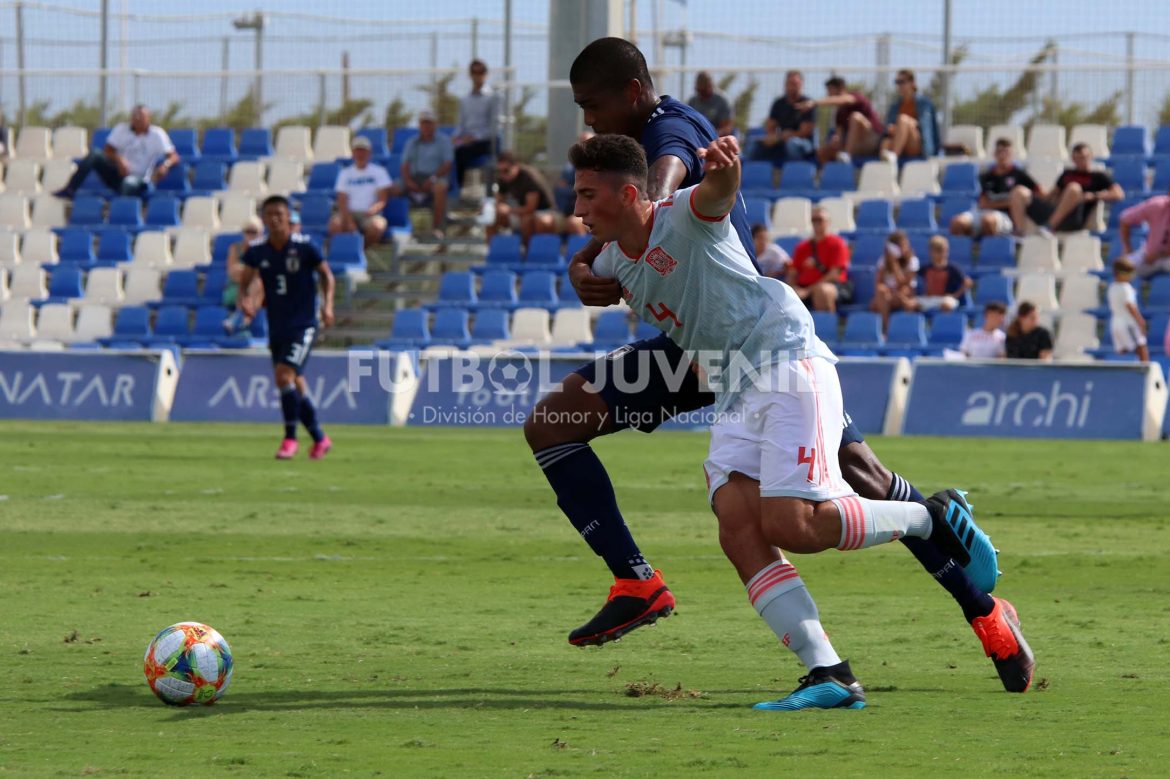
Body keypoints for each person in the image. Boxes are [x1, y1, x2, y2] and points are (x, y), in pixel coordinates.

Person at [526, 37, 1032, 698]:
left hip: (758, 342)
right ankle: (638, 580)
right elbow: (637, 222)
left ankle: (985, 610)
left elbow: (667, 185)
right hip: (705, 348)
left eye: (592, 107)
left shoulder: (668, 135)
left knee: (857, 482)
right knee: (557, 423)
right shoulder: (636, 154)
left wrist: (606, 242)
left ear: (630, 92)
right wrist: (595, 261)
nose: (589, 121)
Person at [236, 195, 336, 460]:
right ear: (264, 218)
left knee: (283, 376)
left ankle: (289, 439)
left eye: (280, 213)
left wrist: (327, 307)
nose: (275, 219)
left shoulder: (305, 247)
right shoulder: (258, 251)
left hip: (303, 324)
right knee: (294, 383)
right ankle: (320, 438)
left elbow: (327, 275)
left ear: (288, 216)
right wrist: (244, 302)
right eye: (269, 214)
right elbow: (245, 280)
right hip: (277, 325)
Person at [53, 104, 179, 199]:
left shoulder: (157, 134)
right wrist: (119, 160)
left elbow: (173, 156)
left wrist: (165, 165)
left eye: (141, 116)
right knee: (95, 154)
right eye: (135, 115)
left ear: (148, 118)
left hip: (139, 179)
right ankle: (71, 189)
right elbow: (108, 150)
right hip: (118, 174)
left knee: (128, 183)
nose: (138, 118)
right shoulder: (121, 129)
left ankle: (120, 217)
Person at [1022, 143, 1124, 233]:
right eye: (1078, 158)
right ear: (1073, 159)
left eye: (1084, 157)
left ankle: (1049, 226)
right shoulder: (1067, 174)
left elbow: (1119, 194)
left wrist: (1094, 196)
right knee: (1020, 192)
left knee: (1073, 188)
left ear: (1091, 156)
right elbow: (1051, 195)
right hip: (1056, 212)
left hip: (1074, 219)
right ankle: (1019, 233)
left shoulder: (1099, 176)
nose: (1082, 161)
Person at [951, 138, 1042, 237]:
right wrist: (1010, 202)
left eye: (1006, 152)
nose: (1002, 155)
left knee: (988, 221)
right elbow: (983, 203)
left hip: (1005, 217)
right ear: (995, 154)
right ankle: (969, 248)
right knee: (957, 223)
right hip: (981, 212)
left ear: (1011, 155)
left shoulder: (1019, 175)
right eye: (999, 152)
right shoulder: (986, 176)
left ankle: (989, 249)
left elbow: (1038, 192)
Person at [491, 151, 571, 244]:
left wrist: (509, 210)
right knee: (490, 219)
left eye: (506, 171)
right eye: (499, 171)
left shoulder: (528, 177)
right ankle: (493, 253)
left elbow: (530, 208)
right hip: (523, 213)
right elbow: (499, 202)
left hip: (547, 212)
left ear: (516, 166)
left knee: (528, 220)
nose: (502, 174)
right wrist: (497, 208)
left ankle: (527, 253)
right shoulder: (503, 178)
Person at [802, 76, 884, 164]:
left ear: (841, 88)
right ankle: (827, 174)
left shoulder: (856, 96)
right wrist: (835, 141)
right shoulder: (839, 114)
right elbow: (839, 135)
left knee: (855, 117)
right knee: (823, 151)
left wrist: (814, 103)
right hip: (856, 146)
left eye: (830, 90)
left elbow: (844, 100)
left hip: (873, 141)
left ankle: (847, 156)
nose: (828, 95)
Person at [329, 136, 393, 247]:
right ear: (353, 152)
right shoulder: (345, 173)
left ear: (369, 153)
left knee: (378, 226)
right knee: (335, 225)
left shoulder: (379, 172)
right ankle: (341, 253)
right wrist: (348, 220)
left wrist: (374, 209)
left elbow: (382, 199)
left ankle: (361, 251)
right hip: (348, 213)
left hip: (369, 215)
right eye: (357, 150)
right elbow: (342, 200)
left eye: (363, 151)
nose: (360, 154)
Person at [400, 111, 453, 238]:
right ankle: (398, 228)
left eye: (429, 123)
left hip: (435, 178)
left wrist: (432, 179)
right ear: (419, 125)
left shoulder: (444, 141)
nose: (426, 126)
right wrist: (408, 181)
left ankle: (436, 229)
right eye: (423, 123)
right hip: (414, 178)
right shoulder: (411, 142)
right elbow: (404, 164)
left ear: (435, 125)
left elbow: (447, 164)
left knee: (440, 188)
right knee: (391, 189)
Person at [787, 206, 851, 312]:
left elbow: (834, 274)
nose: (816, 223)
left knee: (822, 291)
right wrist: (792, 288)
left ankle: (825, 327)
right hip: (803, 287)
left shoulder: (837, 244)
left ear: (828, 222)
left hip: (831, 286)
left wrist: (808, 290)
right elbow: (792, 273)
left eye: (820, 219)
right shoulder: (802, 247)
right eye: (813, 220)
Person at [751, 70, 816, 166]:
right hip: (782, 140)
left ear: (801, 84)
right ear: (785, 84)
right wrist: (773, 137)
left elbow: (804, 132)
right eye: (790, 83)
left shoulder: (808, 103)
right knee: (753, 143)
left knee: (792, 144)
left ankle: (795, 172)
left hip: (804, 144)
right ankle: (756, 175)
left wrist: (786, 136)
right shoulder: (779, 103)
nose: (793, 87)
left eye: (795, 84)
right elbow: (770, 126)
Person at [453, 59, 499, 188]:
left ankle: (461, 189)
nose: (478, 75)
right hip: (464, 141)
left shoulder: (493, 97)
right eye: (475, 72)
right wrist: (456, 137)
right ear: (470, 75)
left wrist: (475, 137)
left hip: (484, 142)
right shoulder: (464, 100)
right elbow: (460, 124)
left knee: (460, 152)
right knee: (447, 149)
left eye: (481, 72)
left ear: (486, 74)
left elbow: (494, 128)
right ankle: (449, 191)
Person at [880, 70, 939, 163]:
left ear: (912, 83)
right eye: (897, 82)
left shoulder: (924, 103)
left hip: (918, 145)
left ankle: (894, 156)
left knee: (903, 120)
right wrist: (892, 128)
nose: (899, 85)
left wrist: (907, 124)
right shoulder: (895, 106)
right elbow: (888, 127)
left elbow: (926, 129)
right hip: (901, 144)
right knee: (886, 142)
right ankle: (883, 172)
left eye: (902, 82)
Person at [222, 216, 265, 332]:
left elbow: (264, 273)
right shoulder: (235, 248)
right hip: (235, 288)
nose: (250, 235)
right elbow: (232, 272)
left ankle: (238, 318)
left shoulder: (264, 250)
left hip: (254, 288)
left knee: (257, 285)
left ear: (260, 233)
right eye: (247, 231)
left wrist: (245, 273)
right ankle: (245, 319)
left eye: (254, 232)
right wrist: (251, 273)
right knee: (255, 285)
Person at [870, 230, 919, 327]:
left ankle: (887, 330)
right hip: (888, 295)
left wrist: (894, 264)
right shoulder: (883, 260)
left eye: (905, 245)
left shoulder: (913, 261)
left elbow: (905, 284)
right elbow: (878, 283)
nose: (904, 248)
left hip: (903, 293)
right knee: (881, 292)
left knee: (900, 294)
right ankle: (886, 327)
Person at [1119, 186, 1170, 278]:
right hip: (1148, 254)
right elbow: (1125, 218)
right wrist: (1127, 247)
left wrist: (1159, 255)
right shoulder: (1157, 205)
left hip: (1166, 258)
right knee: (1122, 267)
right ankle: (1125, 292)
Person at [1107, 258, 1149, 362]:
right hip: (1128, 323)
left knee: (1122, 350)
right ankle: (1146, 374)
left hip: (1115, 324)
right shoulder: (1126, 288)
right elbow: (1130, 306)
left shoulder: (1112, 287)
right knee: (1141, 347)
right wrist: (1141, 321)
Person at [916, 235, 972, 312]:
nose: (940, 254)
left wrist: (955, 295)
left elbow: (967, 283)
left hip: (946, 299)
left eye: (942, 251)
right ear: (930, 252)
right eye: (937, 251)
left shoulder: (953, 269)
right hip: (928, 298)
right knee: (910, 305)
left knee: (946, 305)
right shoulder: (925, 268)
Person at [687, 71, 734, 137]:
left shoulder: (721, 100)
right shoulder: (692, 101)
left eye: (704, 88)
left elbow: (727, 128)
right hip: (696, 139)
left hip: (717, 140)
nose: (701, 92)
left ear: (710, 85)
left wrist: (711, 136)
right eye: (700, 88)